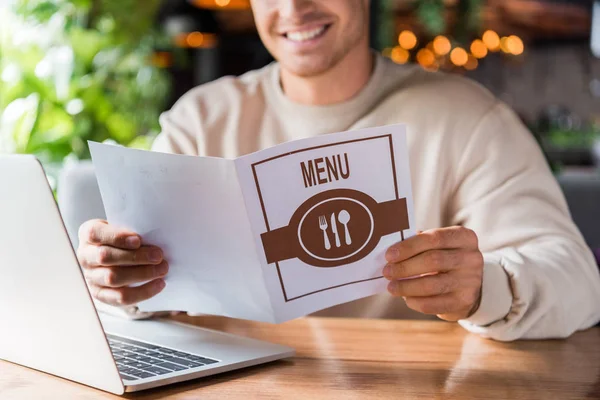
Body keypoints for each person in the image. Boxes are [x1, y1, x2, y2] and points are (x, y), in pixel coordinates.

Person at [76, 0, 600, 341]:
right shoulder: (199, 120)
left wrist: (486, 286)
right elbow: (143, 293)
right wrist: (118, 279)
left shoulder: (468, 117)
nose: (293, 9)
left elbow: (577, 281)